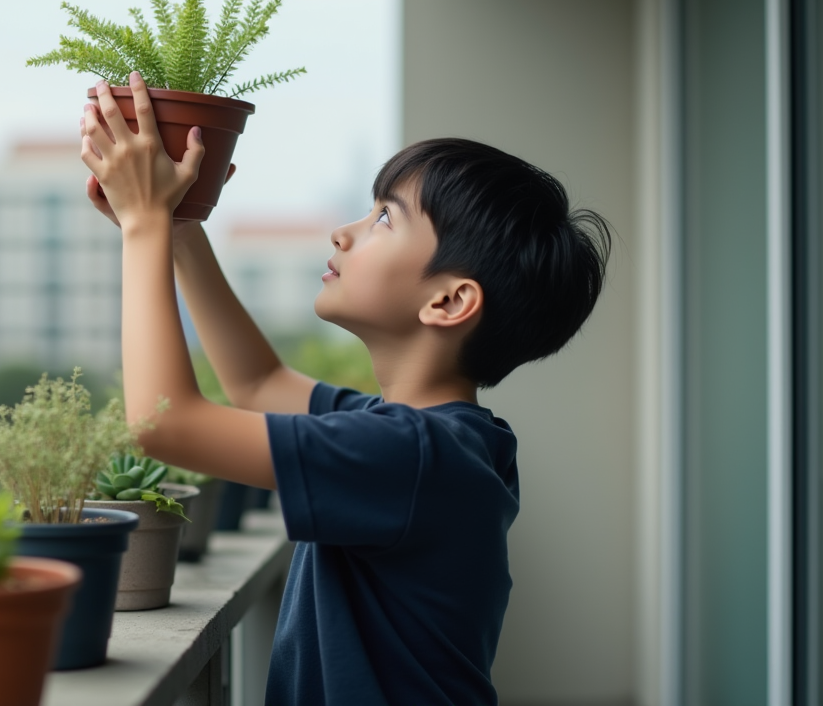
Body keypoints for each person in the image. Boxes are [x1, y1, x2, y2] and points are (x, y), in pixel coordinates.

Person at [79, 71, 612, 706]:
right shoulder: (440, 438)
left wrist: (144, 225)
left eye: (386, 218)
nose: (345, 231)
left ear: (448, 300)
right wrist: (178, 220)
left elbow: (164, 423)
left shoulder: (410, 456)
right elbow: (257, 382)